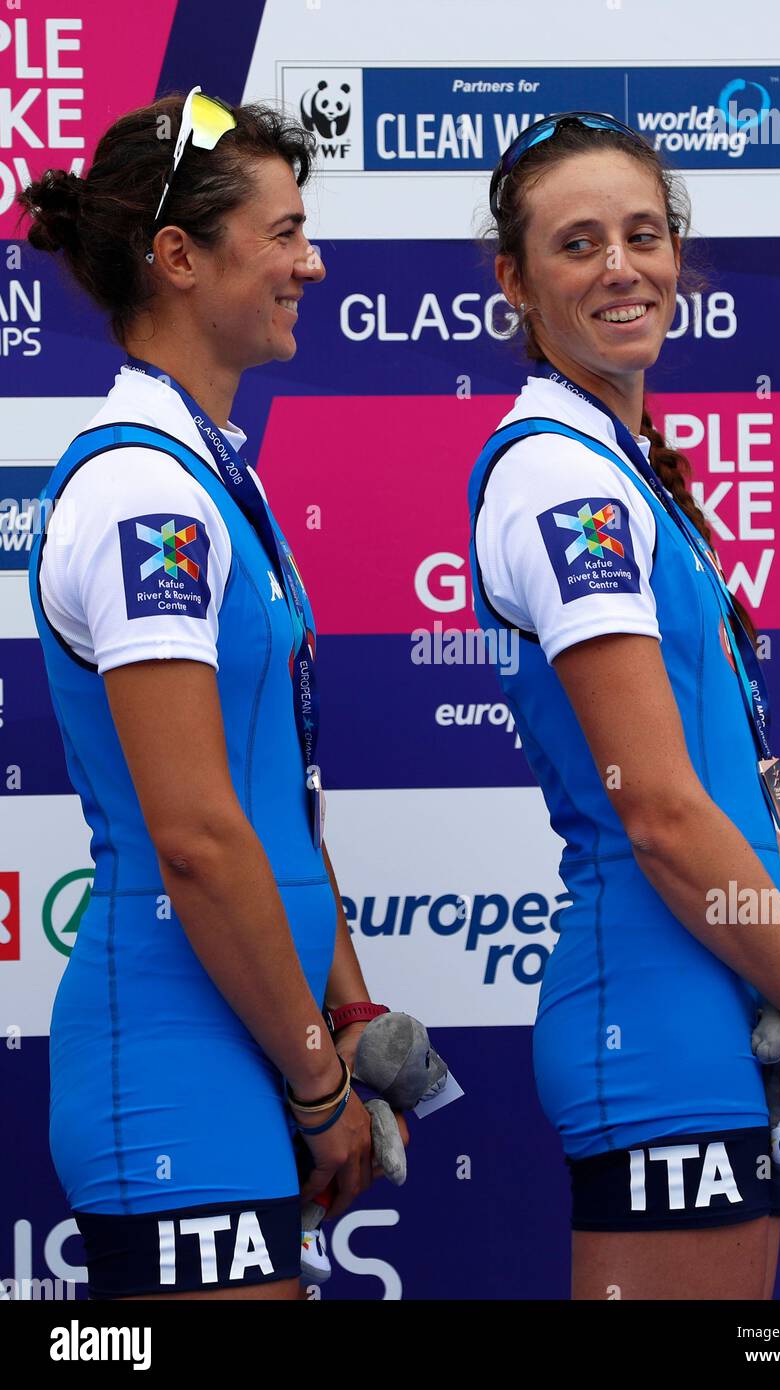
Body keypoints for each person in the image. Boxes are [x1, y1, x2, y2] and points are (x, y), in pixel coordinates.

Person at [468, 112, 780, 1300]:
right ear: (516, 281)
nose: (620, 267)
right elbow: (655, 807)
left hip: (704, 1003)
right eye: (578, 243)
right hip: (653, 1017)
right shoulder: (559, 473)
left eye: (643, 235)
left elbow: (718, 790)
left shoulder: (611, 460)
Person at [19, 88, 402, 1301]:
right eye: (285, 233)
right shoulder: (147, 494)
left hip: (247, 1048)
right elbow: (193, 834)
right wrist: (317, 1082)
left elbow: (272, 797)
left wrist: (344, 1014)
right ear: (179, 258)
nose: (313, 260)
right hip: (178, 1063)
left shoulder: (202, 470)